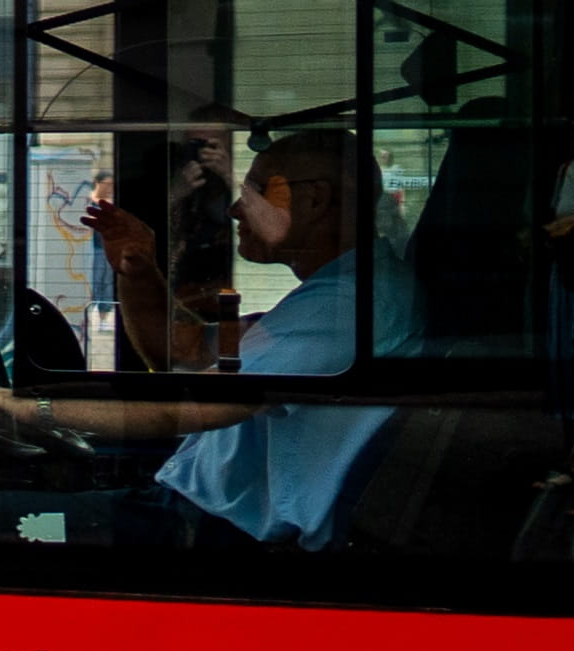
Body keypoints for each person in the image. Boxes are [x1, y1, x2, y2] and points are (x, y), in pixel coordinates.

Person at [77, 124, 406, 546]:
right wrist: (138, 270)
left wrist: (28, 410)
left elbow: (196, 406)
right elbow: (183, 352)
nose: (235, 210)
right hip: (200, 510)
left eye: (253, 193)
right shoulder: (342, 292)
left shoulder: (346, 305)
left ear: (315, 199)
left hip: (217, 531)